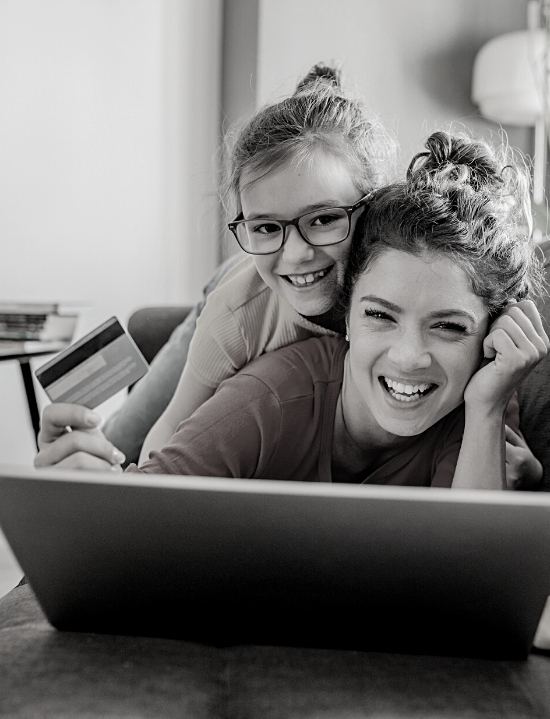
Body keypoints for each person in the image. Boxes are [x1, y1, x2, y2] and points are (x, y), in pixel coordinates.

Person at [35, 131, 548, 490]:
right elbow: (161, 456)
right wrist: (98, 484)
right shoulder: (252, 339)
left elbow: (469, 576)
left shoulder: (479, 394)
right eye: (380, 315)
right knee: (122, 439)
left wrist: (487, 413)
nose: (411, 355)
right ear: (348, 309)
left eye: (323, 219)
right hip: (237, 299)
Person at [103, 63, 398, 465]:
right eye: (264, 226)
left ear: (373, 207)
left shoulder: (406, 276)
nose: (296, 252)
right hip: (246, 284)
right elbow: (168, 433)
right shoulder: (235, 315)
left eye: (325, 219)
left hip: (268, 274)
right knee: (121, 442)